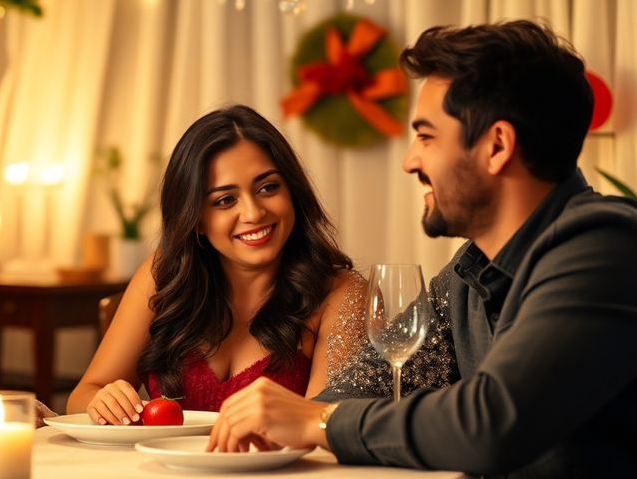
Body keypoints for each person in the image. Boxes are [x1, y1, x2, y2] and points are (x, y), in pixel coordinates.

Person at [207, 20, 637, 476]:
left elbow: (491, 424)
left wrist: (318, 419)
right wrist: (295, 421)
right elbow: (370, 384)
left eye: (426, 137)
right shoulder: (471, 273)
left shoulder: (606, 247)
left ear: (496, 146)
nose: (410, 161)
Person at [65, 105, 445, 426]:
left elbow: (324, 429)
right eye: (225, 200)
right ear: (195, 218)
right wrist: (104, 402)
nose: (254, 212)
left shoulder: (340, 295)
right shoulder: (163, 273)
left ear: (291, 192)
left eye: (267, 188)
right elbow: (84, 394)